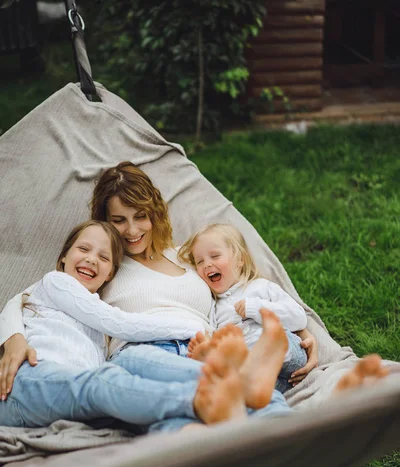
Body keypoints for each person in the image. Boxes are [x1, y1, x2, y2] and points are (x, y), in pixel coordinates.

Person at [0, 162, 317, 402]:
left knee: (284, 355)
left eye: (140, 216)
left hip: (208, 349)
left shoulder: (187, 257)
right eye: (118, 220)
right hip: (148, 354)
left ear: (154, 214)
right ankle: (236, 395)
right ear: (104, 221)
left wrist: (302, 333)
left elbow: (243, 289)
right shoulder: (103, 266)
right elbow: (30, 295)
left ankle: (228, 392)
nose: (132, 230)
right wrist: (13, 338)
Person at [0, 219, 296, 431]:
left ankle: (274, 424)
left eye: (103, 257)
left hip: (75, 400)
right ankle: (202, 402)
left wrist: (296, 324)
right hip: (25, 383)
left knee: (129, 397)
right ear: (63, 257)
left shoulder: (97, 312)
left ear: (110, 274)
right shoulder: (56, 282)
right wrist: (191, 330)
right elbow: (119, 323)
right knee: (106, 380)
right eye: (83, 250)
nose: (92, 259)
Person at [178, 223, 310, 393]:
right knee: (242, 383)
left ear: (240, 259)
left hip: (288, 355)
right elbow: (214, 335)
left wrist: (257, 309)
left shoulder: (261, 287)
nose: (207, 265)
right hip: (268, 379)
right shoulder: (214, 307)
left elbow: (299, 318)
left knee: (276, 341)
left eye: (215, 256)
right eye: (200, 261)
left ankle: (263, 349)